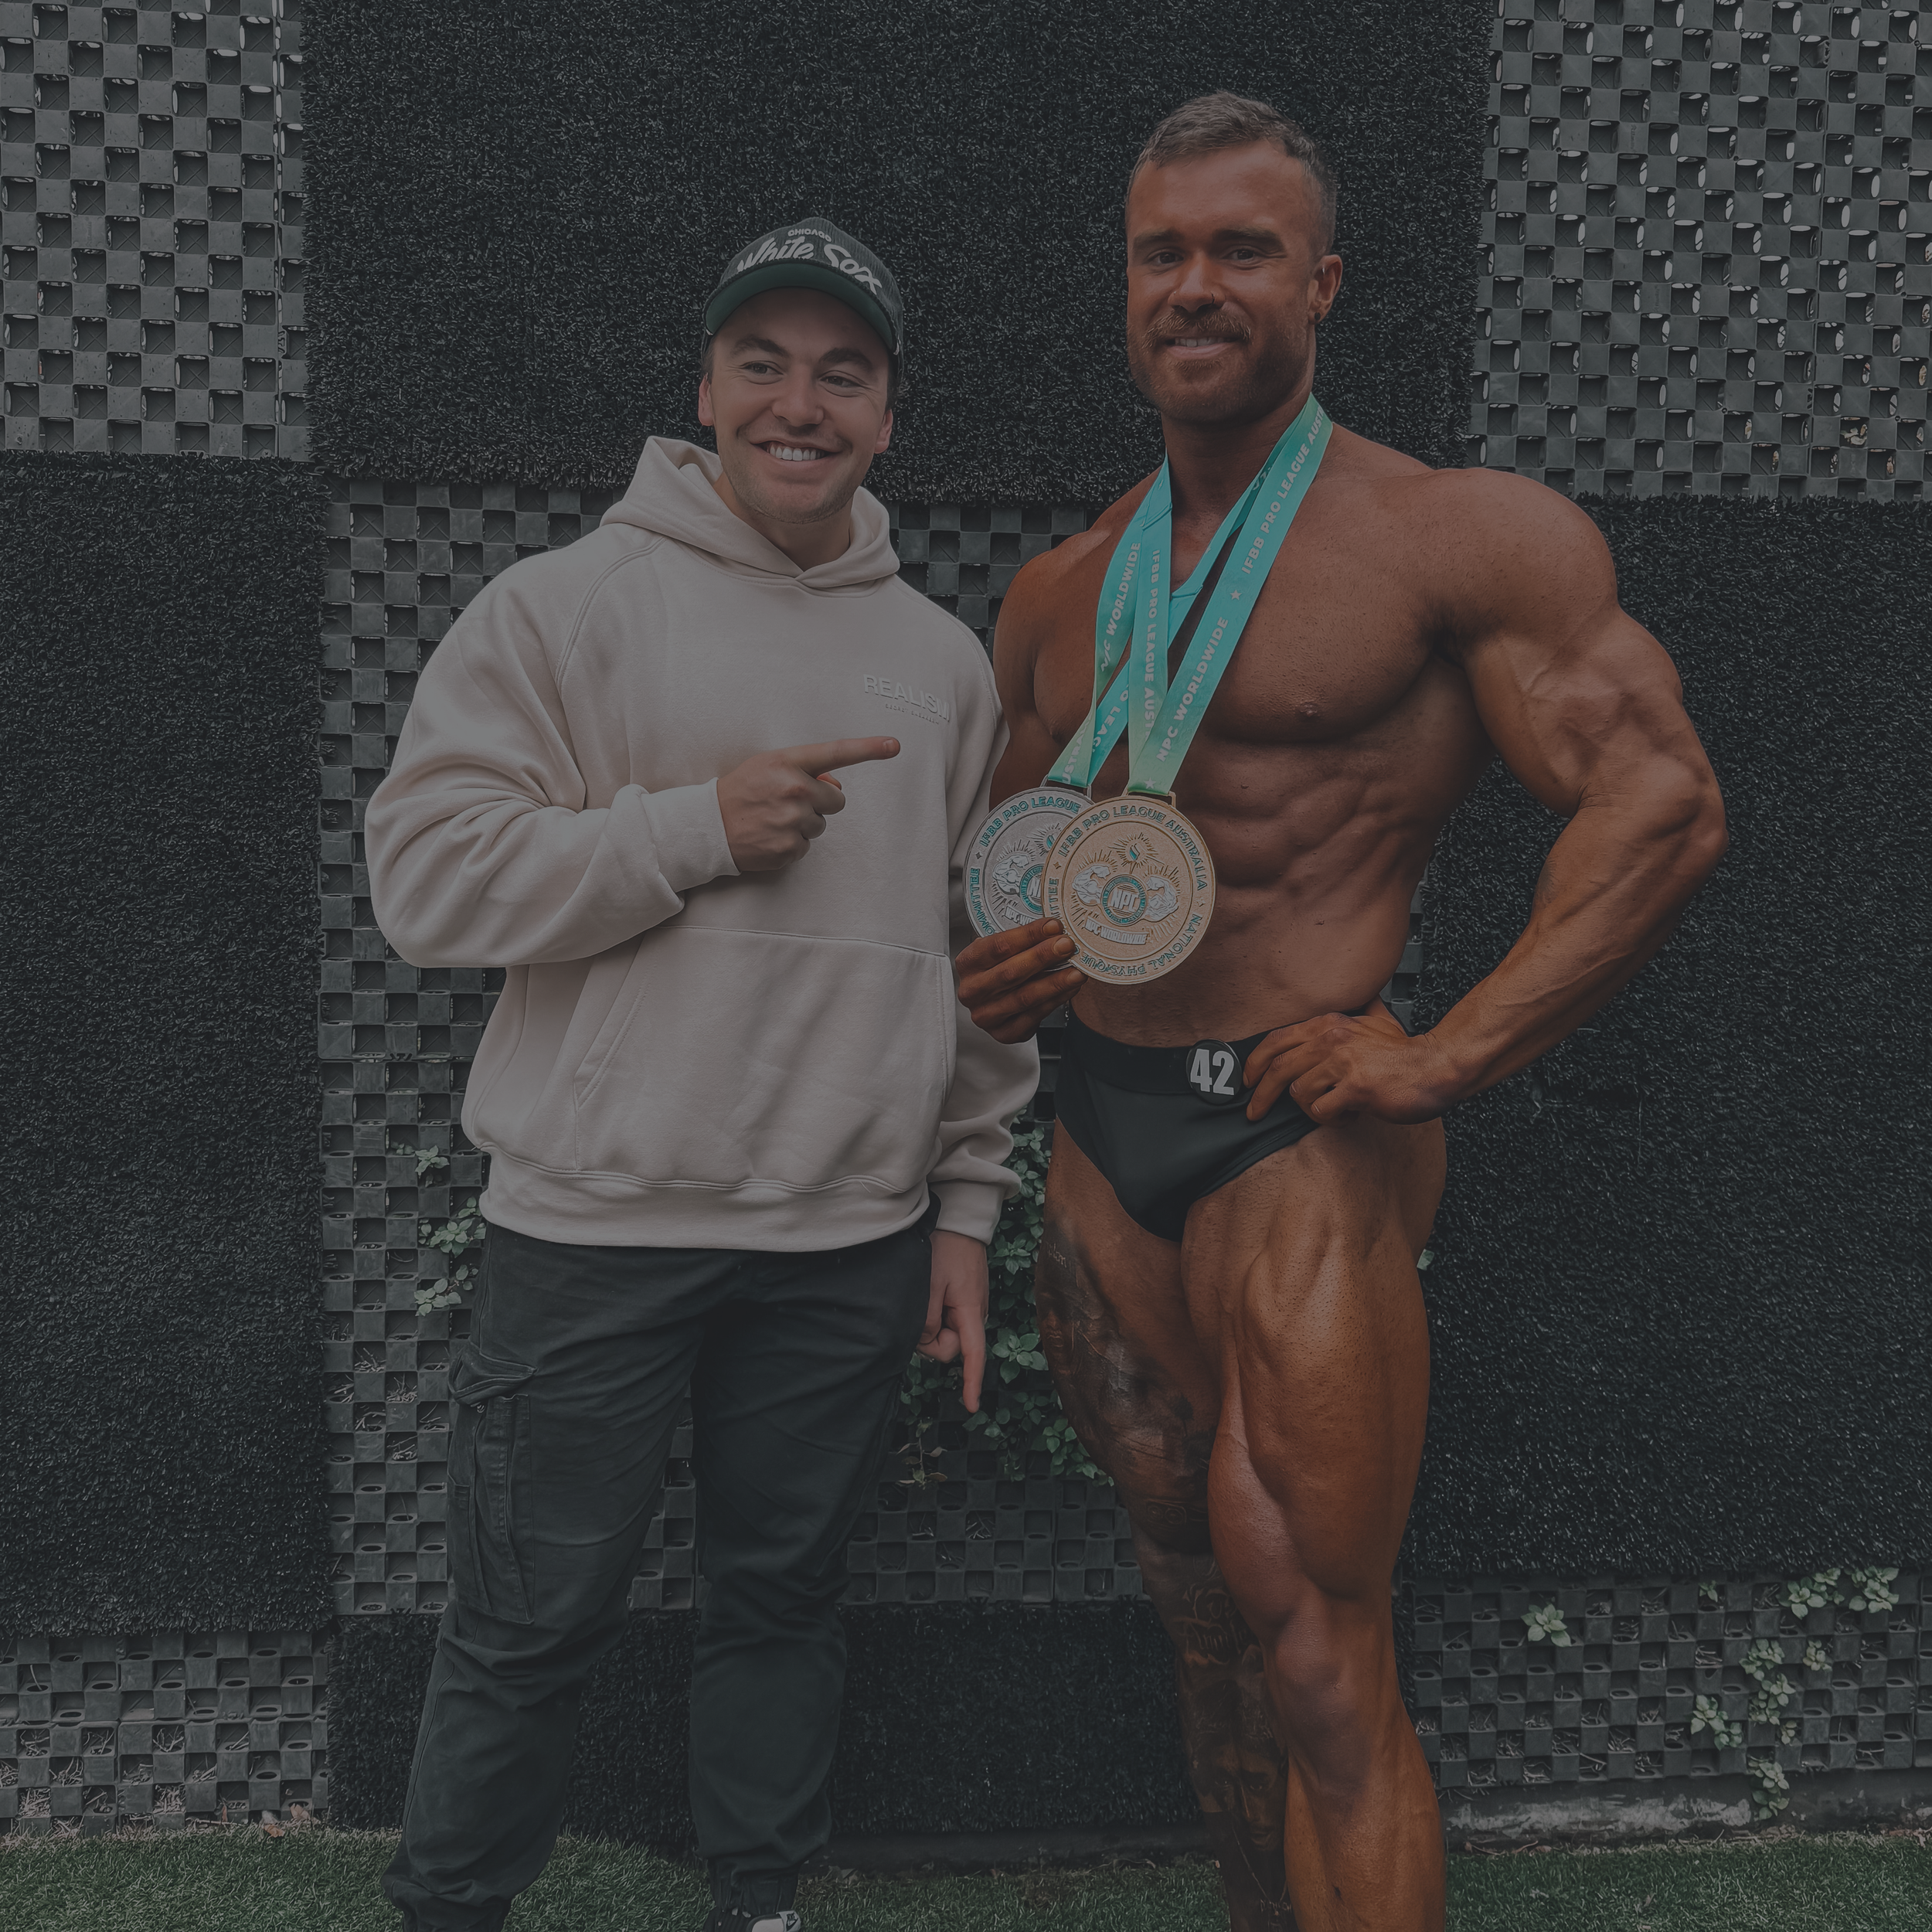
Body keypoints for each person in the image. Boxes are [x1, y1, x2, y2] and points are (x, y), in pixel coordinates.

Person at [954, 95, 1726, 1932]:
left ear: (1319, 278)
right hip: (1098, 1144)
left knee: (1318, 1655)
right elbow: (1009, 847)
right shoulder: (1067, 584)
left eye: (1236, 247)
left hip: (1298, 1137)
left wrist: (1447, 1047)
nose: (1193, 283)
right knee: (1203, 1623)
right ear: (1123, 286)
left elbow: (1660, 802)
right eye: (1160, 251)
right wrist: (990, 954)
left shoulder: (1454, 536)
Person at [366, 217, 1038, 1932]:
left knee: (781, 1595)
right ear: (705, 389)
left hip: (849, 1239)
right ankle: (450, 1908)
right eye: (764, 362)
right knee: (527, 1613)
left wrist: (963, 1206)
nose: (798, 403)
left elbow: (970, 970)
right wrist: (688, 829)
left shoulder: (942, 663)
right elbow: (424, 878)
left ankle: (759, 1899)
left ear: (888, 414)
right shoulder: (563, 607)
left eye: (842, 372)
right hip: (594, 1227)